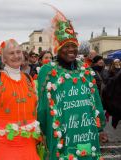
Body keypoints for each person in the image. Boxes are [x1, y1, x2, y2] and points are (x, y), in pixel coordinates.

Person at [37, 8, 105, 160]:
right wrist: (41, 129)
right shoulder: (48, 71)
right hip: (61, 136)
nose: (71, 50)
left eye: (73, 45)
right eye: (66, 46)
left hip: (86, 133)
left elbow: (95, 99)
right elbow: (41, 105)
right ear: (58, 49)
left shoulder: (85, 70)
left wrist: (100, 126)